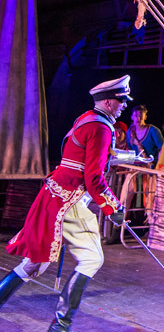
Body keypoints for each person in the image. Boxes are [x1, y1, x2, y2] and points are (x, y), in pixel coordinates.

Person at [0, 75, 129, 331]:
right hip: (69, 200)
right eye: (121, 100)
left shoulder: (86, 118)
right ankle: (60, 325)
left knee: (34, 264)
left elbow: (75, 158)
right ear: (108, 102)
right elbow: (93, 179)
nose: (124, 104)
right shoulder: (102, 127)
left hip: (54, 194)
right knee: (92, 259)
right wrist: (114, 208)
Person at [122, 104, 163, 221]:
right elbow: (129, 150)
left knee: (149, 195)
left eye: (140, 116)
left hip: (150, 167)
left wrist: (157, 167)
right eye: (135, 116)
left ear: (145, 117)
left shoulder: (153, 130)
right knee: (125, 195)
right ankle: (119, 222)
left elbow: (162, 149)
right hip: (136, 167)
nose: (138, 118)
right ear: (132, 117)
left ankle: (150, 226)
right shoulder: (130, 132)